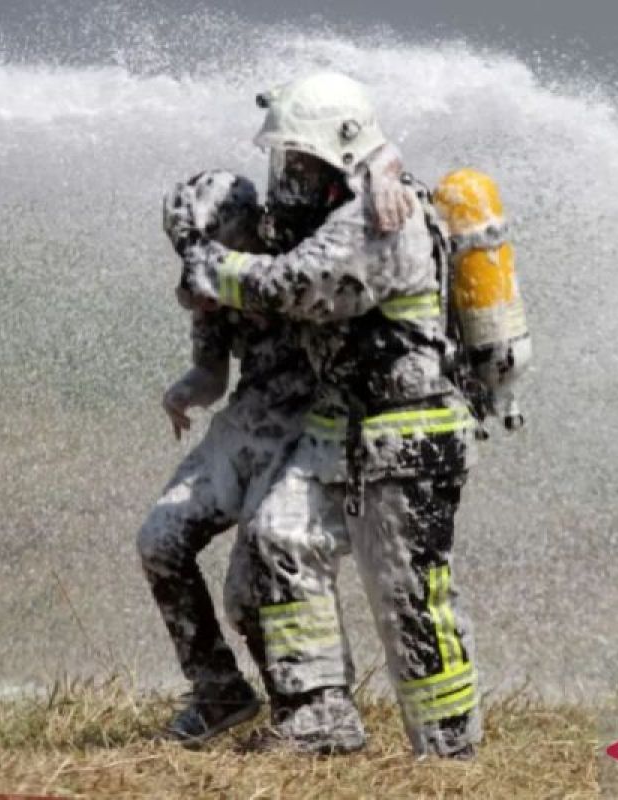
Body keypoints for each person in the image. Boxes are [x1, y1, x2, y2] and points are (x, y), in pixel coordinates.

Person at [164, 71, 481, 759]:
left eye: (304, 164)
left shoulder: (376, 220)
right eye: (288, 163)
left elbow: (295, 285)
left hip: (409, 432)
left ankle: (450, 755)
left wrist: (208, 266)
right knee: (277, 538)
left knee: (410, 601)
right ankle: (319, 720)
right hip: (346, 431)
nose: (291, 180)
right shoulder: (348, 200)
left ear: (343, 154)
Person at [139, 153, 414, 746]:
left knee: (251, 586)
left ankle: (311, 709)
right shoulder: (207, 276)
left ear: (248, 224)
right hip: (248, 419)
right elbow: (210, 371)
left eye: (216, 244)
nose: (201, 263)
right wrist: (185, 392)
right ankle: (217, 690)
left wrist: (383, 176)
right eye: (190, 250)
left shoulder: (297, 251)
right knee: (159, 540)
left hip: (308, 426)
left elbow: (352, 207)